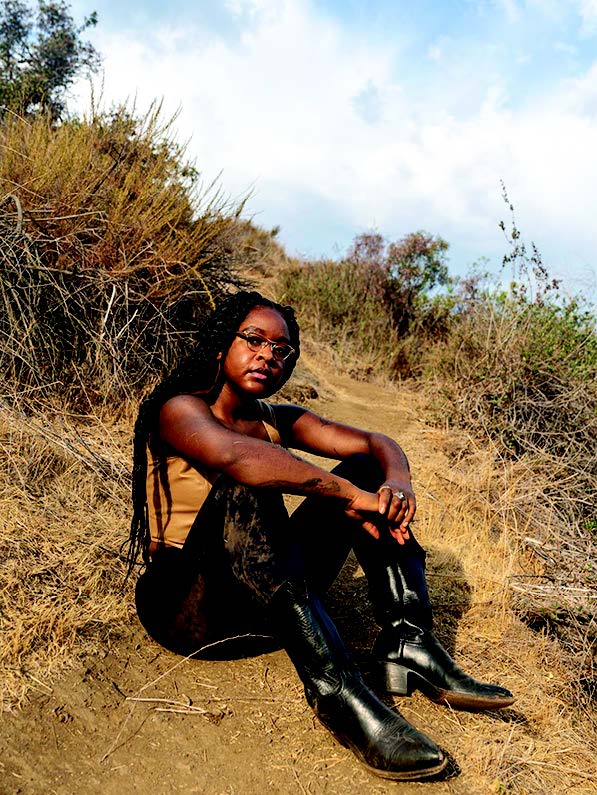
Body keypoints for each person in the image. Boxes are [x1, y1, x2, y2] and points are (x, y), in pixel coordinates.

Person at [127, 290, 514, 782]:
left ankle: (409, 641)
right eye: (254, 340)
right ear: (222, 344)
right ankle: (340, 696)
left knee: (363, 470)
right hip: (188, 609)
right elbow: (240, 460)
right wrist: (349, 497)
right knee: (250, 482)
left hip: (262, 611)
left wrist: (395, 482)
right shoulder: (180, 409)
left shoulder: (272, 418)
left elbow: (376, 444)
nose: (268, 355)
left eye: (282, 349)